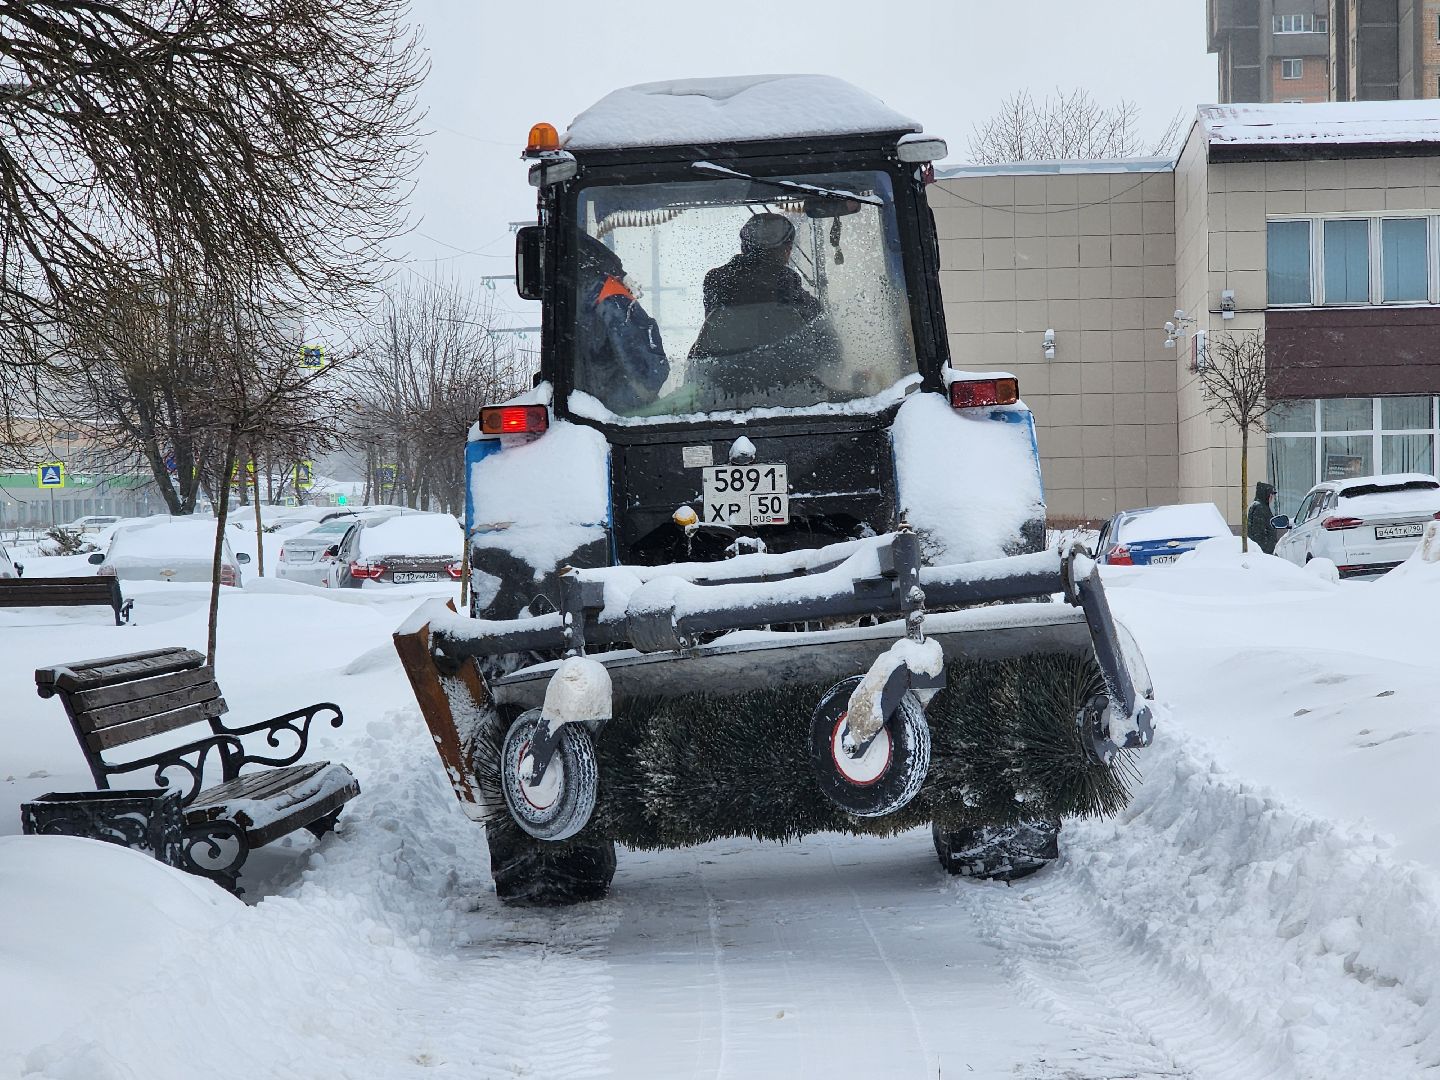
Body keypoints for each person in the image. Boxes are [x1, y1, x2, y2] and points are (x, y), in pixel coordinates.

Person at [574, 233, 669, 412]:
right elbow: (649, 373)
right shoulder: (606, 295)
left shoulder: (608, 299)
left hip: (613, 412)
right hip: (605, 408)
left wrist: (619, 405)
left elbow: (646, 377)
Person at [701, 212, 822, 321]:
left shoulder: (715, 278)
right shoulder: (785, 279)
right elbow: (816, 317)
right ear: (786, 250)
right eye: (789, 247)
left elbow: (713, 326)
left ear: (744, 246)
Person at [1247, 481, 1279, 554]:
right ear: (1266, 495)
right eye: (1271, 495)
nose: (1272, 498)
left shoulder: (1260, 507)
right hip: (1264, 551)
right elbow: (1258, 532)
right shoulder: (1260, 509)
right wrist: (1267, 548)